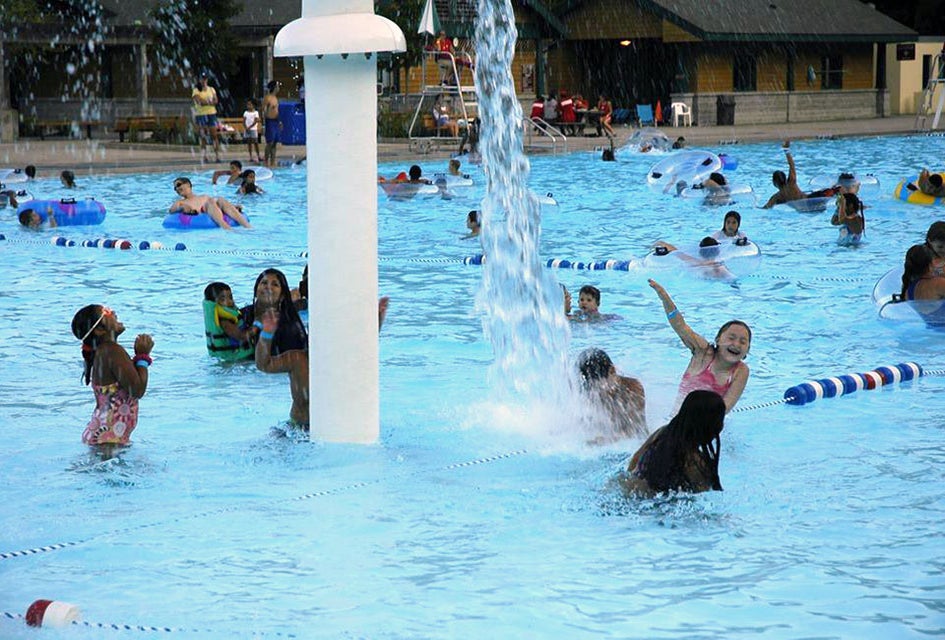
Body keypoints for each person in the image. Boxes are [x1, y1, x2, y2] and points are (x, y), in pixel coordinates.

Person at [648, 279, 751, 413]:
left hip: (710, 425)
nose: (736, 344)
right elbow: (680, 326)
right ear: (718, 340)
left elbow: (724, 408)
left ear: (747, 350)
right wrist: (664, 298)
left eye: (743, 342)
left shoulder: (740, 371)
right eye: (731, 338)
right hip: (678, 420)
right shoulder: (703, 353)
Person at [71, 304, 153, 448]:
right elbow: (137, 390)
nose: (113, 311)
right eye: (106, 311)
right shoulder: (112, 351)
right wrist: (143, 355)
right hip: (107, 440)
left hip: (104, 436)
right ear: (99, 329)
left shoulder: (104, 352)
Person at [619, 390, 725, 496]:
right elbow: (703, 497)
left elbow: (635, 460)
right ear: (709, 426)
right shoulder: (698, 464)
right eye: (720, 421)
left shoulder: (661, 433)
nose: (722, 426)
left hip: (629, 489)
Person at [251, 269, 311, 427]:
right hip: (297, 428)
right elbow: (263, 364)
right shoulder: (299, 359)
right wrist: (267, 335)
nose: (268, 288)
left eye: (274, 284)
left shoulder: (339, 358)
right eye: (264, 283)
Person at [577, 347, 647, 441]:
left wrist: (608, 440)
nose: (596, 392)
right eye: (591, 388)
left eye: (599, 387)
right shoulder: (588, 392)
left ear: (612, 371)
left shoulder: (632, 389)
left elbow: (637, 430)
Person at [762, 140, 836, 208]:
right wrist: (786, 150)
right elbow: (792, 165)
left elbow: (766, 207)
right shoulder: (791, 183)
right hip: (810, 201)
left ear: (774, 183)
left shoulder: (777, 197)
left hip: (802, 209)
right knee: (834, 190)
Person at [169, 177, 252, 229]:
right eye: (175, 188)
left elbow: (217, 205)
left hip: (213, 209)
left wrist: (233, 207)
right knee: (209, 203)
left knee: (219, 199)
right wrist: (182, 208)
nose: (177, 188)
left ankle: (247, 226)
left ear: (188, 184)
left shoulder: (204, 197)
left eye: (178, 185)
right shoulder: (180, 202)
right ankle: (226, 227)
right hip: (205, 213)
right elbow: (171, 210)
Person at [203, 282, 254, 360]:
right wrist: (257, 326)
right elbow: (241, 336)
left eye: (230, 297)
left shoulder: (227, 316)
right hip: (237, 359)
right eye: (222, 299)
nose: (229, 301)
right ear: (214, 304)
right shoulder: (224, 321)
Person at [652, 238, 736, 280]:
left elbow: (677, 252)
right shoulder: (721, 267)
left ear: (700, 252)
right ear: (718, 251)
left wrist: (661, 243)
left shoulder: (696, 263)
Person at [192, 74, 221, 163]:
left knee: (214, 135)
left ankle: (217, 155)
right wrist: (209, 102)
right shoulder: (196, 90)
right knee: (203, 135)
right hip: (201, 114)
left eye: (205, 79)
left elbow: (216, 100)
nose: (204, 81)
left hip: (211, 113)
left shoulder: (211, 89)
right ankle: (204, 156)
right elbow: (199, 101)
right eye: (202, 79)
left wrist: (207, 102)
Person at [262, 80, 282, 168]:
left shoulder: (275, 98)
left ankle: (273, 162)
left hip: (276, 121)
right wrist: (263, 121)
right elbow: (263, 110)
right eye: (277, 86)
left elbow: (276, 111)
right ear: (274, 88)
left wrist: (280, 121)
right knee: (270, 142)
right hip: (269, 121)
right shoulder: (268, 98)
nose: (278, 88)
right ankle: (266, 161)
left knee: (275, 142)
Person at [243, 99, 262, 163]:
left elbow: (255, 121)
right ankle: (250, 156)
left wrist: (250, 127)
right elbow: (244, 121)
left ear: (253, 105)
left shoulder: (256, 112)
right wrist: (246, 128)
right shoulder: (246, 112)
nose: (248, 106)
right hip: (247, 129)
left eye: (250, 104)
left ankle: (258, 155)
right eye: (248, 105)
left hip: (253, 129)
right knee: (249, 143)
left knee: (255, 142)